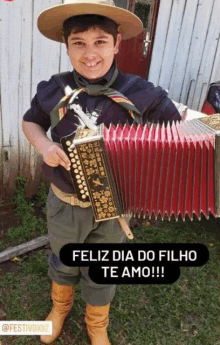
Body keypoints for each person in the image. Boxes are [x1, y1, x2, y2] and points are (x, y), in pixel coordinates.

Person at [22, 0, 182, 344]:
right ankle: (59, 309)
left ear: (117, 42)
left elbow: (178, 139)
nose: (89, 53)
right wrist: (44, 146)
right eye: (79, 43)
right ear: (67, 45)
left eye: (100, 42)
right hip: (65, 202)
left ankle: (97, 325)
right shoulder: (54, 88)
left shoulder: (146, 95)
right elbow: (31, 121)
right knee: (64, 261)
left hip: (115, 209)